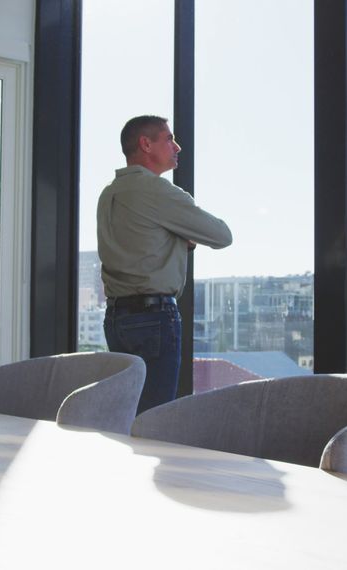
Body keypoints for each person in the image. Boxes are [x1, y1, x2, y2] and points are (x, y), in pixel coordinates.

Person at [97, 115, 233, 414]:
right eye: (169, 139)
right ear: (146, 144)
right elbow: (222, 236)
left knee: (128, 411)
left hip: (116, 318)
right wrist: (183, 237)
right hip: (153, 318)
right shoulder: (157, 191)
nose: (177, 147)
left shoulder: (109, 194)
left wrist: (174, 238)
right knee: (154, 418)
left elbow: (139, 246)